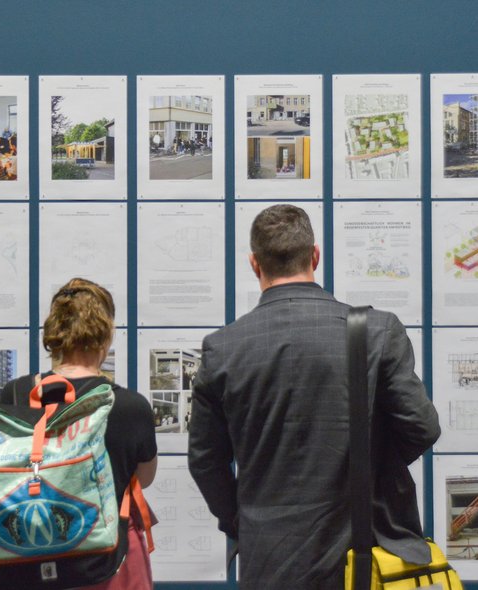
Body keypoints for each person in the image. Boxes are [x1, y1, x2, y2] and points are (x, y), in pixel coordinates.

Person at [187, 204, 440, 589]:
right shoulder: (377, 332)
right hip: (360, 554)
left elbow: (205, 460)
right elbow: (422, 428)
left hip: (267, 560)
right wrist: (367, 465)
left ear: (255, 264)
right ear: (315, 256)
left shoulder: (222, 348)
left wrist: (240, 519)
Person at [0, 278, 157, 589]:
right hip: (106, 562)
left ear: (54, 333)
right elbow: (144, 478)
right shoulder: (130, 406)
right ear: (106, 336)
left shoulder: (15, 393)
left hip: (29, 560)